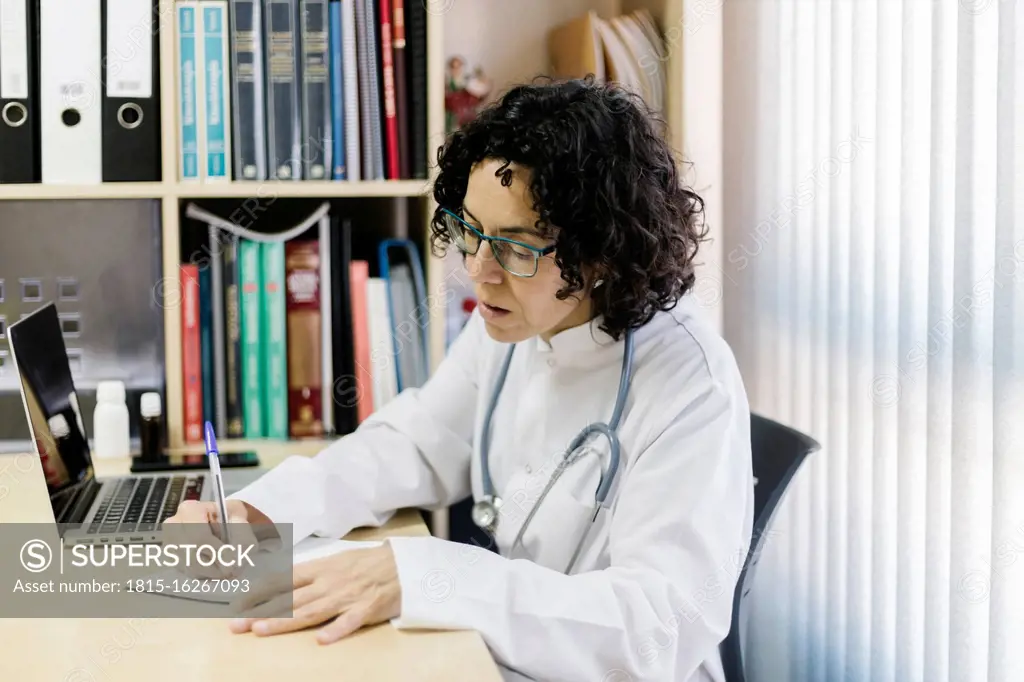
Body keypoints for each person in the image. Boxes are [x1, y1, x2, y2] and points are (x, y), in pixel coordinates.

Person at [165, 77, 755, 682]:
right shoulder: (518, 320)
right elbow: (416, 440)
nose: (478, 270)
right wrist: (259, 510)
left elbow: (657, 631)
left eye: (517, 248)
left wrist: (425, 575)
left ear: (601, 252)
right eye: (470, 229)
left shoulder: (691, 384)